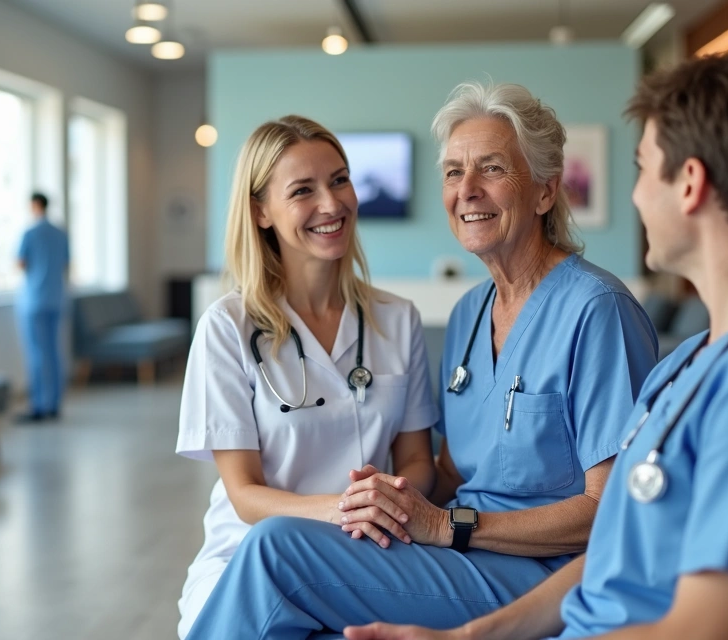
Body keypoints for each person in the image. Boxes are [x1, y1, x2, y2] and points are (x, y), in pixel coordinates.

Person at [343, 51, 728, 640]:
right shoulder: (691, 363)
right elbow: (611, 554)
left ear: (691, 185)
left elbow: (702, 632)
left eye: (642, 168)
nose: (633, 198)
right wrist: (467, 638)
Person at [184, 83, 658, 639]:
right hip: (460, 556)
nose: (468, 190)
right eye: (454, 172)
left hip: (541, 569)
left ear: (546, 192)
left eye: (492, 169)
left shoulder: (597, 311)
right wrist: (383, 507)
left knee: (275, 551)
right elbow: (450, 472)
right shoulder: (468, 315)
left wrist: (444, 525)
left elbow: (613, 510)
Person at [174, 115, 439, 638]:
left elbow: (415, 461)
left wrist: (392, 497)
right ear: (261, 211)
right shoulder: (227, 328)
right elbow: (245, 494)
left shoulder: (398, 319)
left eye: (339, 179)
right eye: (303, 190)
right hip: (250, 556)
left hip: (369, 551)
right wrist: (347, 506)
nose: (331, 203)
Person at [16, 192, 70, 423]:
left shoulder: (30, 233)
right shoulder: (60, 233)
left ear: (35, 206)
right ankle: (54, 404)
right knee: (54, 353)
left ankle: (39, 406)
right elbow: (66, 263)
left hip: (35, 300)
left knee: (37, 354)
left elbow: (20, 263)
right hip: (56, 299)